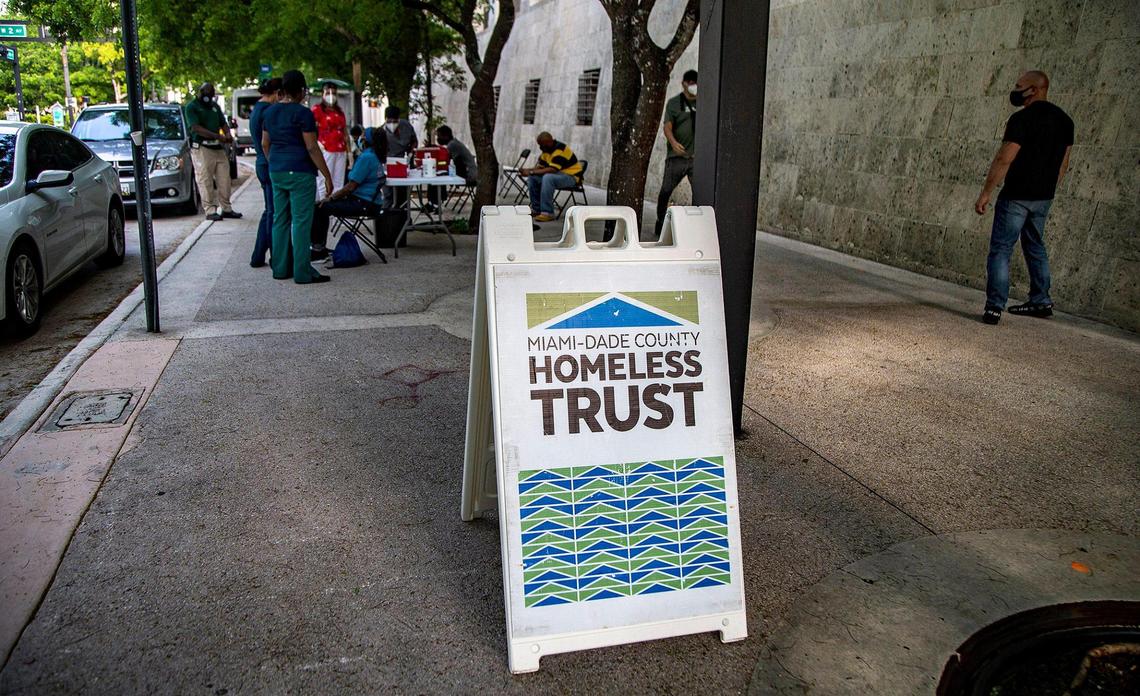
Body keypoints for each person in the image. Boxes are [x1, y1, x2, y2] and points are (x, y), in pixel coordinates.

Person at [974, 70, 1073, 325]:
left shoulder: (1021, 119)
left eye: (1020, 86)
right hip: (1043, 197)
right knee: (1035, 246)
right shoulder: (1065, 121)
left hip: (1016, 196)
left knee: (1001, 249)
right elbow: (1063, 164)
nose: (1016, 90)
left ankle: (995, 306)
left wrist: (986, 192)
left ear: (1034, 89)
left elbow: (1005, 157)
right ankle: (1041, 300)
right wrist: (1048, 190)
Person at [261, 70, 335, 284]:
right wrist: (326, 175)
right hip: (301, 172)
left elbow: (266, 143)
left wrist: (274, 162)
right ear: (302, 90)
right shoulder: (303, 114)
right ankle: (303, 271)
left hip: (277, 170)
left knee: (280, 219)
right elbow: (312, 147)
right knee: (302, 222)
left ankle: (281, 268)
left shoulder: (270, 112)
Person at [311, 127, 388, 258]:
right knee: (322, 206)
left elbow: (350, 187)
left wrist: (331, 198)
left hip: (363, 203)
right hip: (371, 202)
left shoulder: (366, 158)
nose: (359, 139)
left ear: (367, 140)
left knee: (319, 207)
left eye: (362, 135)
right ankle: (319, 247)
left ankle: (317, 249)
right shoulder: (375, 156)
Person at [185, 82, 242, 222]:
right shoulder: (192, 107)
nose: (208, 98)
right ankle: (210, 210)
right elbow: (196, 128)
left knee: (224, 179)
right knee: (205, 179)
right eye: (206, 94)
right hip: (202, 148)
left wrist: (228, 134)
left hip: (218, 148)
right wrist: (217, 136)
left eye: (211, 95)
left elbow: (223, 123)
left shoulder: (214, 106)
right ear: (200, 92)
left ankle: (226, 208)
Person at [655, 69, 698, 237]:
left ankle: (697, 225)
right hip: (677, 158)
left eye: (696, 84)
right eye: (691, 83)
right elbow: (667, 126)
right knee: (666, 190)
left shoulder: (704, 102)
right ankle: (660, 222)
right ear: (684, 84)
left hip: (696, 159)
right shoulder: (675, 103)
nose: (693, 87)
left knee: (700, 193)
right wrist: (673, 142)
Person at [249, 77, 281, 268]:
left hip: (262, 163)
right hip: (268, 163)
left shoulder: (257, 109)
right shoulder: (268, 111)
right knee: (273, 213)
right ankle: (274, 254)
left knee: (269, 211)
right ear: (277, 93)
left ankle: (258, 254)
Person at [521, 132, 583, 222]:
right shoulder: (546, 151)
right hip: (558, 175)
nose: (540, 147)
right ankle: (536, 209)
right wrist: (527, 170)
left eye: (542, 144)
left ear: (549, 142)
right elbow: (540, 167)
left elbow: (552, 169)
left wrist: (530, 171)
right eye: (539, 145)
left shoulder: (560, 149)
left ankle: (548, 212)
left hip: (572, 177)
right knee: (532, 178)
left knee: (547, 177)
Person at [312, 81, 352, 202]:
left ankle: (335, 215)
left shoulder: (339, 112)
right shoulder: (317, 110)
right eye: (328, 92)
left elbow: (345, 132)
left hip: (340, 149)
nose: (331, 95)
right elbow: (311, 129)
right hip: (326, 149)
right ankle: (323, 211)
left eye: (333, 93)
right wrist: (317, 143)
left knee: (338, 183)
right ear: (322, 94)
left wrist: (349, 153)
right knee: (324, 181)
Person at [428, 125, 478, 209]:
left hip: (469, 175)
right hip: (467, 172)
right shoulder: (453, 143)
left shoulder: (452, 145)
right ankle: (436, 201)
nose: (438, 139)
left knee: (437, 177)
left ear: (446, 136)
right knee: (439, 175)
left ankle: (434, 203)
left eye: (439, 136)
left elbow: (445, 161)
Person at [381, 106, 418, 209]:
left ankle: (403, 218)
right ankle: (387, 218)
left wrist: (410, 153)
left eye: (395, 120)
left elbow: (414, 141)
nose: (392, 123)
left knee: (403, 195)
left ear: (399, 119)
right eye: (389, 121)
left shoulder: (406, 126)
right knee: (389, 195)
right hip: (388, 165)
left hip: (404, 162)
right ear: (386, 119)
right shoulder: (382, 132)